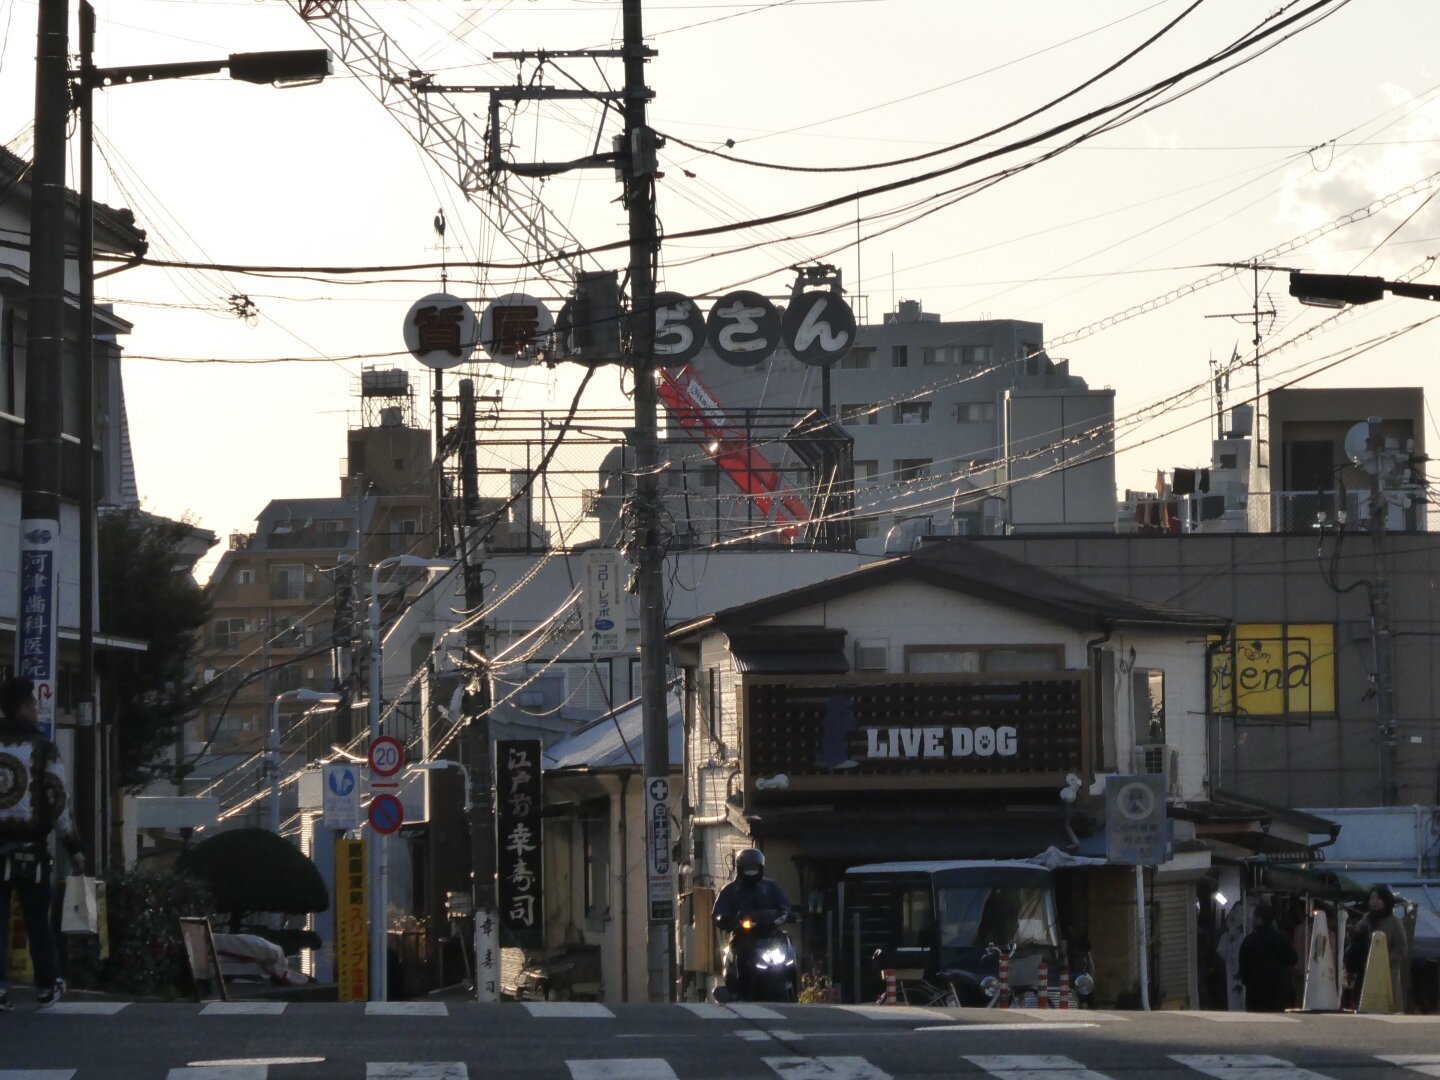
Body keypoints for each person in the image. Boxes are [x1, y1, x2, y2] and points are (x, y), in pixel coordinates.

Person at [0, 676, 85, 1011]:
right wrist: (74, 846)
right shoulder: (43, 748)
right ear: (24, 707)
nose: (37, 709)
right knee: (38, 920)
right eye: (34, 703)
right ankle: (47, 985)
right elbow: (57, 801)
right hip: (32, 851)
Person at [1356, 886, 1408, 1012]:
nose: (1374, 901)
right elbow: (1354, 936)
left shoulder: (1395, 922)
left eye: (1378, 898)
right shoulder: (1366, 919)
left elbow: (1401, 949)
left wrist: (1383, 960)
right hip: (1365, 969)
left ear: (1386, 901)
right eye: (1372, 898)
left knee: (1388, 1003)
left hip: (1387, 973)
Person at [1238, 903, 1297, 1012]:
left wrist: (1246, 979)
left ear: (1259, 919)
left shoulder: (1250, 940)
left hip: (1255, 991)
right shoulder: (1282, 938)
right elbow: (1293, 959)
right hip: (1278, 990)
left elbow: (1243, 966)